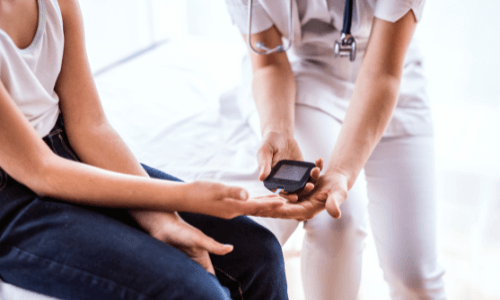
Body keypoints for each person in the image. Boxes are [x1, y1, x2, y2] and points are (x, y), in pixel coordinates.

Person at [0, 0, 306, 299]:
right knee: (193, 292)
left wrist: (162, 218)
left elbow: (90, 127)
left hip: (65, 153)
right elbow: (39, 171)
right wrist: (185, 196)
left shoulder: (58, 4)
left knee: (258, 253)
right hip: (12, 198)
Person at [225, 0, 447, 299]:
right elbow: (268, 62)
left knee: (415, 275)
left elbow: (383, 73)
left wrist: (343, 169)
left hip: (392, 70)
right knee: (336, 221)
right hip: (304, 73)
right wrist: (278, 129)